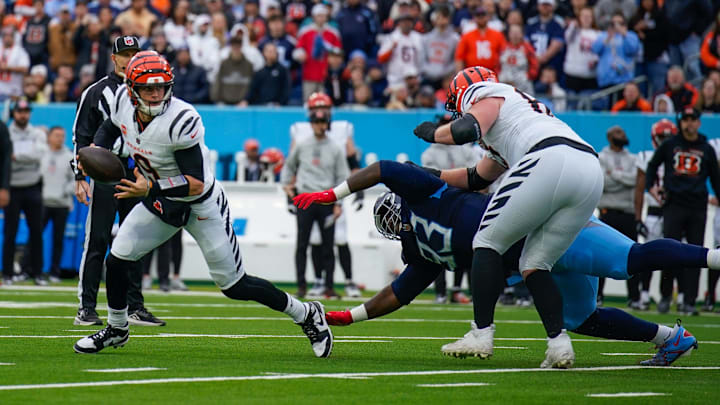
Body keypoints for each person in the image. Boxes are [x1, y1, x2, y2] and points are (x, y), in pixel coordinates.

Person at [293, 160, 703, 366]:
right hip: (534, 261)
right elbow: (398, 294)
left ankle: (712, 257)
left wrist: (333, 194)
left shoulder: (422, 191)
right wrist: (350, 317)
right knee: (583, 318)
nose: (393, 221)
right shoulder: (421, 253)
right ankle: (671, 337)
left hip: (545, 230)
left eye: (390, 213)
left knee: (628, 261)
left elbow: (383, 169)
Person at [73, 51, 333, 358]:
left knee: (234, 285)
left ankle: (306, 313)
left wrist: (150, 186)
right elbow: (110, 128)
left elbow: (195, 181)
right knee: (117, 260)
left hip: (199, 205)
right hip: (160, 201)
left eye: (161, 86)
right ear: (131, 89)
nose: (156, 94)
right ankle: (117, 329)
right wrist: (96, 150)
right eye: (148, 88)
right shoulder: (121, 104)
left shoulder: (180, 119)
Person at [72, 36, 163, 327]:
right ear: (114, 58)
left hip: (137, 171)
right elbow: (81, 137)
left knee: (135, 239)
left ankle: (135, 306)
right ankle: (86, 307)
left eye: (135, 53)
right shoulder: (96, 92)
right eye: (125, 54)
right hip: (105, 169)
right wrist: (80, 176)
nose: (129, 58)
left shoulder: (147, 90)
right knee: (97, 240)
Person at [646, 107, 720, 315]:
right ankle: (666, 295)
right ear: (681, 122)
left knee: (697, 254)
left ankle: (690, 300)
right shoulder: (670, 144)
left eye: (692, 119)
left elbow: (715, 178)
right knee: (669, 251)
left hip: (697, 206)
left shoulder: (706, 148)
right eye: (685, 119)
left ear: (698, 122)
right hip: (674, 204)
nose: (689, 123)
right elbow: (652, 166)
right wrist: (652, 188)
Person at [286, 92, 356, 298]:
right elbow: (290, 166)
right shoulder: (301, 139)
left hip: (328, 197)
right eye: (316, 117)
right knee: (305, 243)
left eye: (323, 114)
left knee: (334, 243)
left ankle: (337, 283)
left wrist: (341, 201)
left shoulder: (338, 140)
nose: (320, 119)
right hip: (306, 196)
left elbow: (347, 168)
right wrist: (287, 189)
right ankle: (307, 284)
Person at [634, 119, 677, 311]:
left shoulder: (678, 157)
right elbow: (640, 187)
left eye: (669, 137)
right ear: (654, 138)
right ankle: (644, 294)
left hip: (673, 212)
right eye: (662, 137)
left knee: (673, 256)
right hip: (653, 212)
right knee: (650, 255)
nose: (665, 141)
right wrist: (638, 217)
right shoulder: (646, 156)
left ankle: (667, 295)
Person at [3, 98, 47, 286]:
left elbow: (39, 154)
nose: (23, 115)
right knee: (10, 232)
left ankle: (37, 273)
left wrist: (16, 156)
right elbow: (5, 156)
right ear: (14, 113)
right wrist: (22, 156)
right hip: (12, 186)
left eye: (26, 111)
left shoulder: (37, 133)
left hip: (32, 186)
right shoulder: (7, 132)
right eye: (20, 111)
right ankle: (7, 274)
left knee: (36, 231)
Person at [596, 126, 636, 307]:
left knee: (632, 257)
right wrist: (623, 179)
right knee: (601, 257)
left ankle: (634, 297)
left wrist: (615, 175)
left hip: (628, 213)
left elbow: (635, 180)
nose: (623, 135)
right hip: (608, 213)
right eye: (619, 133)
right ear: (610, 137)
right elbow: (602, 182)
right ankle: (598, 296)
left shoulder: (633, 158)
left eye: (624, 132)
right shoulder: (601, 157)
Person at [38, 126, 74, 282]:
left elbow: (75, 179)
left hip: (61, 203)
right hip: (42, 203)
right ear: (49, 137)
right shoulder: (41, 155)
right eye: (56, 135)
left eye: (62, 135)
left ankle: (54, 272)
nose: (59, 138)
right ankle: (30, 270)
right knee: (35, 237)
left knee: (58, 240)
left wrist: (65, 191)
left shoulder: (69, 156)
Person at [293, 4, 341, 101]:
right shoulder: (306, 31)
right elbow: (298, 49)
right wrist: (300, 55)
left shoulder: (333, 32)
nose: (321, 18)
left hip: (326, 76)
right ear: (314, 17)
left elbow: (338, 51)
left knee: (325, 102)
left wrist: (333, 57)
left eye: (323, 16)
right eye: (319, 16)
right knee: (308, 101)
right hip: (309, 74)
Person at [591, 12, 640, 90]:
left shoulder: (631, 35)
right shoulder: (603, 35)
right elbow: (595, 50)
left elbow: (632, 50)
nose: (616, 26)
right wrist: (608, 38)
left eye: (620, 23)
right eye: (613, 23)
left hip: (624, 79)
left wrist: (624, 34)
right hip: (606, 79)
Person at [377, 12, 424, 90]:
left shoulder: (418, 38)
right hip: (396, 81)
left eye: (409, 21)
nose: (406, 24)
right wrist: (391, 49)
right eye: (404, 21)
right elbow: (380, 59)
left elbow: (422, 60)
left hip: (414, 80)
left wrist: (418, 77)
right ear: (399, 23)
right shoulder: (392, 37)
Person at [454, 6, 505, 74]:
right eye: (478, 16)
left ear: (487, 17)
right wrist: (460, 74)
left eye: (483, 15)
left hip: (493, 72)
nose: (481, 18)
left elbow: (504, 53)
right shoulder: (467, 36)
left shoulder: (497, 35)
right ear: (474, 18)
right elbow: (459, 57)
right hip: (472, 73)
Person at [525, 0, 565, 75]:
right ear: (538, 6)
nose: (545, 7)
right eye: (543, 5)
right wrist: (533, 59)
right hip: (530, 63)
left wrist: (541, 59)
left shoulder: (558, 24)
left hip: (551, 66)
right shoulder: (531, 23)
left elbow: (556, 45)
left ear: (553, 6)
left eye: (548, 5)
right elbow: (526, 44)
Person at [0, 25, 31, 102]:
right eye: (5, 35)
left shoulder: (20, 51)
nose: (7, 38)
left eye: (9, 36)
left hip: (13, 91)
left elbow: (25, 68)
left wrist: (8, 68)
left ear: (13, 37)